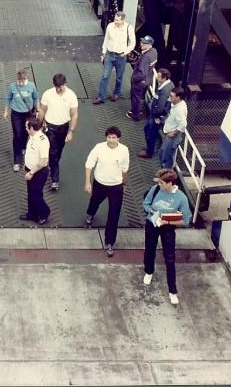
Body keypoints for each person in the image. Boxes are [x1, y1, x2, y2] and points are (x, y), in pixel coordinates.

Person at [142, 168, 192, 305]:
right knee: (149, 249)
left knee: (170, 257)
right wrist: (153, 211)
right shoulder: (156, 189)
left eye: (162, 183)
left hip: (168, 227)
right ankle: (149, 271)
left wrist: (167, 221)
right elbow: (146, 204)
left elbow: (186, 220)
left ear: (170, 183)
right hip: (152, 222)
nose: (159, 185)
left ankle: (172, 291)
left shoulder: (181, 198)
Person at [84, 126, 130, 257]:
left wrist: (124, 183)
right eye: (109, 137)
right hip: (100, 183)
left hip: (116, 187)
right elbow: (89, 164)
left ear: (118, 138)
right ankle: (90, 214)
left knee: (114, 215)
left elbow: (124, 169)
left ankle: (110, 242)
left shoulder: (124, 150)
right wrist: (87, 182)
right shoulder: (99, 148)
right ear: (106, 137)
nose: (111, 140)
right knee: (94, 201)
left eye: (114, 137)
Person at [38, 73, 79, 191]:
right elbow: (42, 110)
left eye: (60, 86)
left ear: (65, 84)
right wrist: (39, 126)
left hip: (63, 127)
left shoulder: (71, 95)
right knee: (53, 152)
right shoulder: (48, 94)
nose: (58, 89)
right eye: (56, 86)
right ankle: (55, 179)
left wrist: (71, 131)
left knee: (58, 151)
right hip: (50, 127)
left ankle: (51, 165)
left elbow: (74, 114)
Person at [93, 11, 136, 104]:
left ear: (123, 20)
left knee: (119, 77)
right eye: (115, 19)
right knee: (105, 76)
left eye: (117, 20)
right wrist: (103, 53)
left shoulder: (129, 28)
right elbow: (106, 40)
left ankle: (116, 93)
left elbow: (132, 43)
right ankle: (101, 96)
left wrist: (125, 52)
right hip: (109, 54)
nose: (115, 21)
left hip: (121, 56)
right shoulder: (110, 26)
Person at [3, 70, 40, 172]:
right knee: (17, 135)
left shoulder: (31, 86)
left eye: (23, 79)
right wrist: (6, 111)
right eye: (20, 79)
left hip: (28, 113)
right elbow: (8, 99)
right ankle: (17, 160)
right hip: (16, 114)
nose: (22, 81)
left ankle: (23, 146)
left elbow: (36, 98)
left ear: (26, 78)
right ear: (17, 79)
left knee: (26, 133)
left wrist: (38, 110)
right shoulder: (12, 87)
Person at [138, 68, 174, 159]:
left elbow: (161, 106)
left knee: (150, 131)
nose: (157, 78)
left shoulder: (164, 91)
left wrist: (157, 116)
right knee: (150, 131)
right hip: (158, 114)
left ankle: (149, 152)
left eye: (159, 77)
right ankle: (150, 148)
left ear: (164, 78)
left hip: (156, 116)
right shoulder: (169, 85)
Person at [20, 116, 50, 225]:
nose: (25, 129)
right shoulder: (32, 136)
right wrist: (26, 166)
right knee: (30, 193)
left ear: (32, 127)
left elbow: (43, 161)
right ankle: (31, 213)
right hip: (30, 169)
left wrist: (31, 172)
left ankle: (44, 213)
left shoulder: (42, 140)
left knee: (37, 194)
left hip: (38, 172)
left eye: (26, 127)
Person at [126, 35, 157, 121]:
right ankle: (140, 110)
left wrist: (134, 79)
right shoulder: (154, 52)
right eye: (142, 41)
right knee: (141, 97)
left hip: (140, 82)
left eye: (144, 43)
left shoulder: (146, 57)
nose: (141, 43)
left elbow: (142, 73)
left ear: (149, 45)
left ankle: (135, 115)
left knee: (136, 98)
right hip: (148, 80)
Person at [159, 87, 187, 169]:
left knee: (166, 157)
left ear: (178, 97)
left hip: (172, 138)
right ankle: (164, 176)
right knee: (163, 154)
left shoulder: (179, 109)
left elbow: (183, 124)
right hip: (170, 135)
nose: (169, 97)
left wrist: (174, 133)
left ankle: (166, 177)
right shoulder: (178, 104)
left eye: (172, 96)